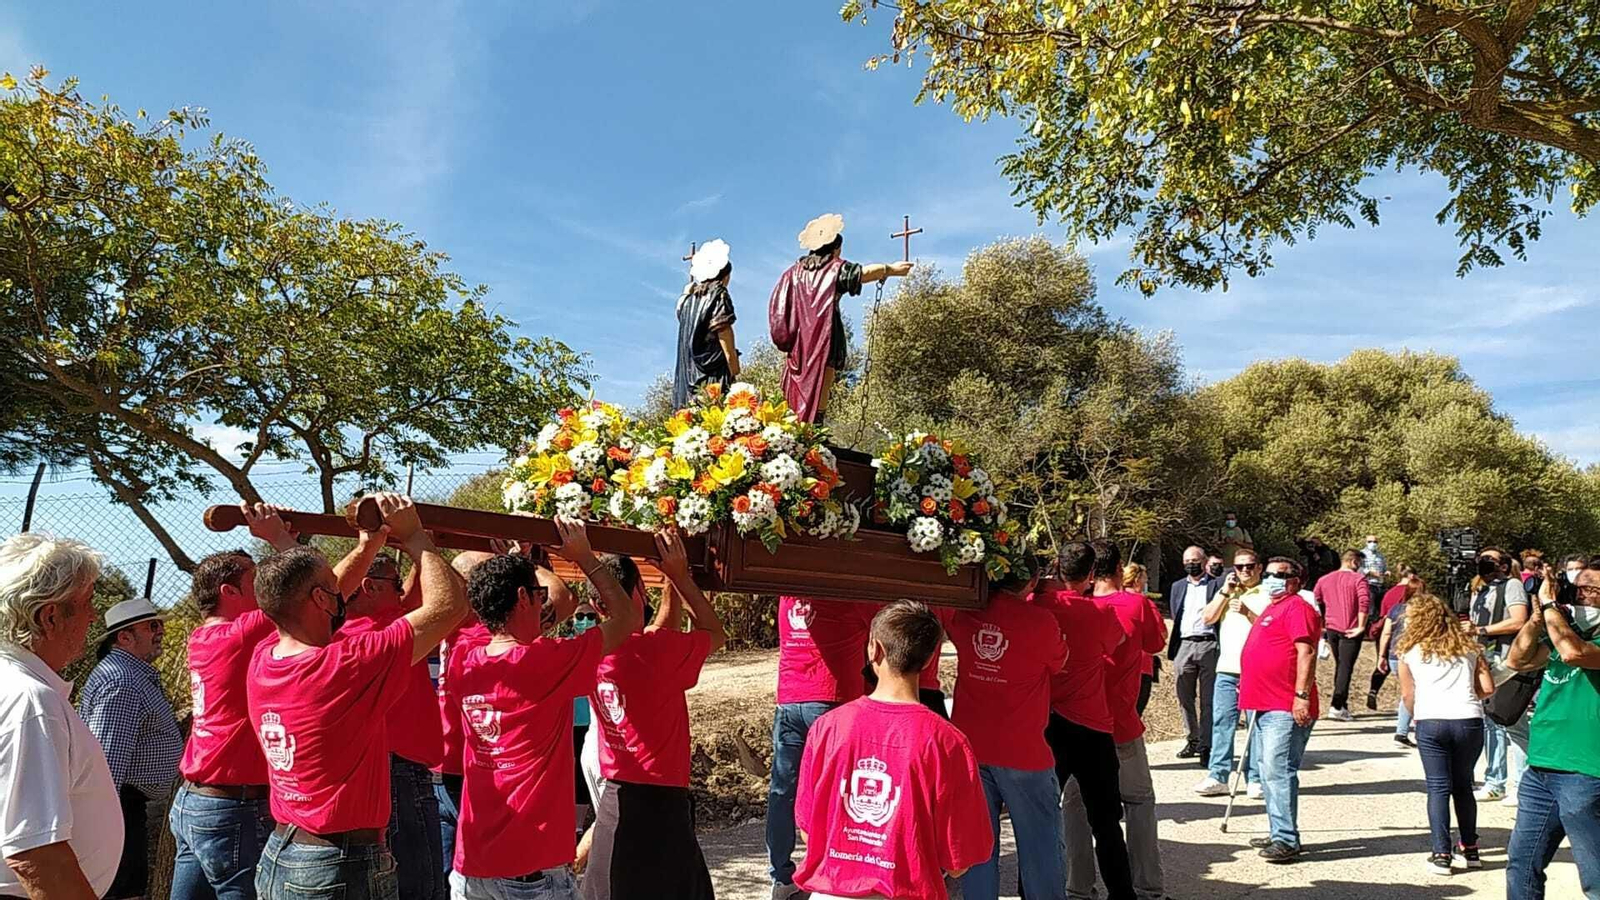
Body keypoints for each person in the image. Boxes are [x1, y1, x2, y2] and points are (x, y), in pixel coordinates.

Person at [248, 494, 467, 900]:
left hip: (285, 849)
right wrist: (415, 536)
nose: (343, 595)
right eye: (334, 591)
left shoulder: (264, 658)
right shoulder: (345, 666)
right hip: (338, 864)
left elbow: (307, 594)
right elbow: (450, 604)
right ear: (318, 599)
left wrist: (368, 546)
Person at [447, 527, 643, 900]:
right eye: (538, 596)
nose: (544, 604)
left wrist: (516, 562)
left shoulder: (463, 660)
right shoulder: (546, 662)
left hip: (471, 868)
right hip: (531, 871)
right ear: (523, 597)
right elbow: (626, 619)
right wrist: (584, 556)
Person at [792, 600, 991, 900]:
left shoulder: (828, 728)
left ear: (874, 649)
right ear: (928, 660)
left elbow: (809, 831)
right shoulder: (948, 742)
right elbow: (959, 860)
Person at [580, 536, 727, 900]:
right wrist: (680, 578)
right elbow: (715, 633)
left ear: (597, 604)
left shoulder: (589, 650)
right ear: (635, 594)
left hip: (616, 796)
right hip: (662, 803)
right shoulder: (656, 652)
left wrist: (667, 590)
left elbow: (659, 633)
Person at [171, 505, 302, 900]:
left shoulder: (202, 638)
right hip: (232, 807)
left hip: (194, 801)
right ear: (229, 592)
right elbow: (297, 589)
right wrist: (279, 540)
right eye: (255, 582)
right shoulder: (237, 636)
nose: (264, 589)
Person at [0, 534, 122, 900]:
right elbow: (36, 854)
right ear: (49, 616)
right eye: (87, 603)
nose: (94, 616)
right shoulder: (31, 702)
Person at [944, 564, 1068, 900]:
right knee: (1041, 845)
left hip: (972, 746)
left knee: (979, 849)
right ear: (1030, 581)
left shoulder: (966, 614)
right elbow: (1059, 661)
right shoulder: (1040, 621)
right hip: (1023, 751)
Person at [1063, 541, 1168, 900]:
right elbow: (1155, 644)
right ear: (1119, 568)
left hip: (1076, 722)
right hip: (1120, 720)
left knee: (1074, 807)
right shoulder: (1136, 604)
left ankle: (1078, 887)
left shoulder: (1073, 608)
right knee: (1138, 803)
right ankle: (1147, 887)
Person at [1036, 543, 1137, 900]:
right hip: (1092, 727)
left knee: (1043, 819)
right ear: (1092, 575)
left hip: (1046, 723)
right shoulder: (1097, 614)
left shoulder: (1036, 606)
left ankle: (1034, 890)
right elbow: (1119, 641)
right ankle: (1122, 894)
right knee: (1106, 822)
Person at [766, 595, 875, 899]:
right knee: (836, 790)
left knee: (783, 790)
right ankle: (833, 868)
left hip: (789, 699)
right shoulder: (849, 598)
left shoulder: (787, 597)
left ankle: (781, 875)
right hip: (832, 699)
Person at [76, 593, 182, 900]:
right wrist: (108, 826)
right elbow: (108, 763)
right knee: (123, 891)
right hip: (117, 806)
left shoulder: (130, 675)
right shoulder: (122, 681)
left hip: (124, 805)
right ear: (124, 637)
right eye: (151, 626)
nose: (160, 631)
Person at [1504, 564, 1600, 899]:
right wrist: (1535, 619)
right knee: (1522, 863)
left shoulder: (1579, 638)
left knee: (1596, 877)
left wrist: (1549, 608)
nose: (1581, 597)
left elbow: (1574, 653)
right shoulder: (1564, 629)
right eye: (1577, 589)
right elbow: (1518, 660)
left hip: (1587, 772)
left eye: (1592, 591)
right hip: (1542, 766)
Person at [768, 213, 913, 423]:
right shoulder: (835, 269)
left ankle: (798, 428)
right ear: (836, 249)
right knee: (822, 382)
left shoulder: (792, 274)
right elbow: (861, 273)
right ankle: (814, 429)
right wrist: (891, 269)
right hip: (823, 336)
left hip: (799, 343)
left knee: (799, 385)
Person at [1397, 592, 1496, 875]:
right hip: (1467, 718)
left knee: (1438, 787)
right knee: (1464, 785)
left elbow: (1407, 694)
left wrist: (1418, 714)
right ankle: (1471, 847)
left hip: (1431, 719)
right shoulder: (1470, 648)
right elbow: (1488, 688)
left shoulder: (1410, 650)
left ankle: (1441, 852)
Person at [1238, 557, 1321, 863]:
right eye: (1269, 573)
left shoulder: (1298, 608)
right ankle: (1278, 831)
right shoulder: (1273, 608)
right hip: (1262, 703)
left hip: (1283, 705)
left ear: (1296, 581)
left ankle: (1286, 838)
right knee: (1267, 769)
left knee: (1278, 770)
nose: (1271, 578)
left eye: (1279, 574)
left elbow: (1306, 651)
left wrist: (1301, 696)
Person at [434, 552, 495, 881]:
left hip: (447, 766)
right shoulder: (480, 635)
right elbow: (561, 600)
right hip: (469, 769)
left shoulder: (449, 627)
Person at [1195, 550, 1269, 798]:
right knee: (1222, 722)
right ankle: (1218, 775)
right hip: (1227, 668)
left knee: (1254, 727)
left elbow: (1272, 628)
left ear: (1259, 567)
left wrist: (1248, 612)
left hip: (1256, 670)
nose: (1244, 571)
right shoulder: (1227, 590)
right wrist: (1225, 592)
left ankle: (1255, 777)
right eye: (1239, 567)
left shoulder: (1268, 592)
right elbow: (1207, 618)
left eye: (1249, 566)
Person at [1467, 548, 1530, 802]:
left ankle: (1523, 784)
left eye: (1489, 559)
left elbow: (1518, 620)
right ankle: (1495, 781)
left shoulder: (1513, 584)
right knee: (1491, 722)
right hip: (1485, 659)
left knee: (1513, 722)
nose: (1483, 563)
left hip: (1506, 660)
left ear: (1504, 565)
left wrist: (1481, 629)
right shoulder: (1480, 590)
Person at [1166, 546, 1222, 762]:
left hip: (1209, 644)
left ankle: (1207, 746)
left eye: (1195, 560)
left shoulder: (1217, 585)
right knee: (1184, 696)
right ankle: (1192, 739)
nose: (1191, 564)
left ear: (1204, 561)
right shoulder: (1178, 586)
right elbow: (1175, 613)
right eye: (1187, 560)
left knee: (1208, 699)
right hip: (1185, 645)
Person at [673, 239, 740, 410]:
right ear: (725, 276)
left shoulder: (688, 301)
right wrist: (734, 368)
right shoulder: (719, 295)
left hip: (687, 376)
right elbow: (724, 333)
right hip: (712, 375)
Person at [1311, 550, 1371, 721]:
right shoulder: (1358, 579)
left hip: (1332, 627)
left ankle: (1341, 704)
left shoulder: (1324, 579)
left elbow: (1316, 600)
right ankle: (1337, 705)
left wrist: (1322, 623)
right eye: (1359, 562)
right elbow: (1364, 602)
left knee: (1340, 665)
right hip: (1350, 628)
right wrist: (1361, 625)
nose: (1360, 566)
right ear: (1353, 561)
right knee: (1346, 667)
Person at [1373, 573, 1424, 747]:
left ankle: (1402, 731)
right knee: (1416, 693)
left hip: (1395, 656)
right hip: (1416, 656)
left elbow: (1386, 633)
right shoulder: (1425, 612)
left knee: (1408, 692)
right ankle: (1414, 731)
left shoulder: (1395, 609)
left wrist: (1381, 655)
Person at [1367, 567, 1418, 709]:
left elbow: (1383, 614)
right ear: (1412, 575)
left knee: (1383, 664)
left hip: (1386, 632)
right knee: (1409, 679)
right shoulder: (1412, 591)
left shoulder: (1389, 593)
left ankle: (1373, 690)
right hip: (1405, 636)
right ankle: (1406, 706)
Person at [1123, 564, 1162, 716]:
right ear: (1137, 579)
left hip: (1116, 665)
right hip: (1141, 665)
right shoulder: (1144, 603)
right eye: (1145, 578)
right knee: (1134, 714)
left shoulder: (1111, 599)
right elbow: (1161, 633)